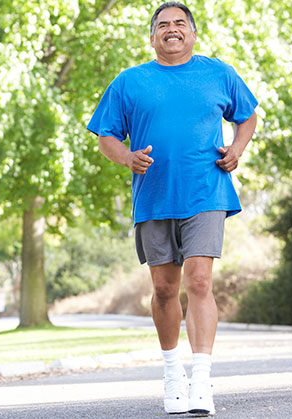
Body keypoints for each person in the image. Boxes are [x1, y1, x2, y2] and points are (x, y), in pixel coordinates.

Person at [86, 1, 258, 415]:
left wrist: (236, 149)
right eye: (163, 25)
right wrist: (126, 158)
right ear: (152, 37)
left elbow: (247, 117)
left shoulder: (219, 73)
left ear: (193, 33)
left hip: (206, 191)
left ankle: (201, 379)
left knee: (199, 282)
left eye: (180, 23)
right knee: (164, 289)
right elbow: (105, 136)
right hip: (154, 195)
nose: (172, 29)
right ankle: (171, 373)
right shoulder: (130, 82)